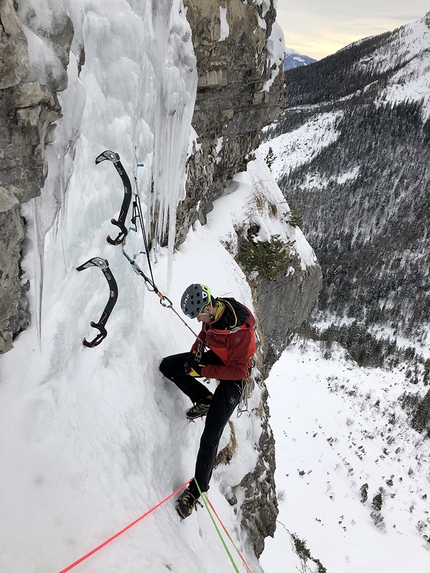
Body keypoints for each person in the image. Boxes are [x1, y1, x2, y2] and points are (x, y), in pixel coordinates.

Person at [159, 283, 256, 519]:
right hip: (220, 359)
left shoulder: (239, 331)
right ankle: (203, 398)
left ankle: (196, 490)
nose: (197, 320)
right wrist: (195, 356)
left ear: (209, 308)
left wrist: (203, 369)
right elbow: (205, 333)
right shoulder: (213, 312)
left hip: (236, 375)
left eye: (198, 315)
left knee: (212, 431)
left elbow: (238, 372)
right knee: (169, 367)